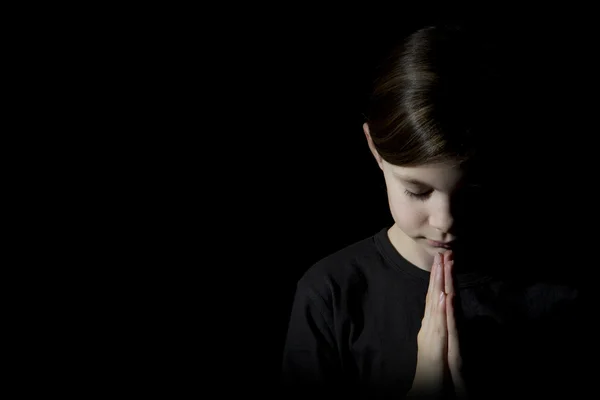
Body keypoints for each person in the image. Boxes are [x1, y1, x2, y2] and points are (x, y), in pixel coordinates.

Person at [280, 21, 585, 399]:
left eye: (469, 192)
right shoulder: (329, 295)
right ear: (375, 151)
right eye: (417, 191)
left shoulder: (555, 294)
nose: (446, 222)